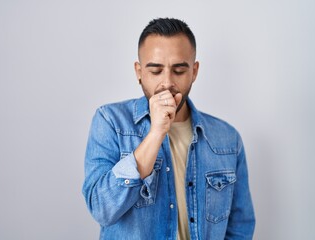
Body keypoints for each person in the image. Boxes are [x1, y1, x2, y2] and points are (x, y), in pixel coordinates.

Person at [82, 18, 255, 240]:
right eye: (155, 71)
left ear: (194, 71)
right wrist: (155, 134)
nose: (167, 82)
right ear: (139, 72)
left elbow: (240, 225)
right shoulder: (110, 122)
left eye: (179, 70)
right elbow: (102, 209)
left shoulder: (227, 139)